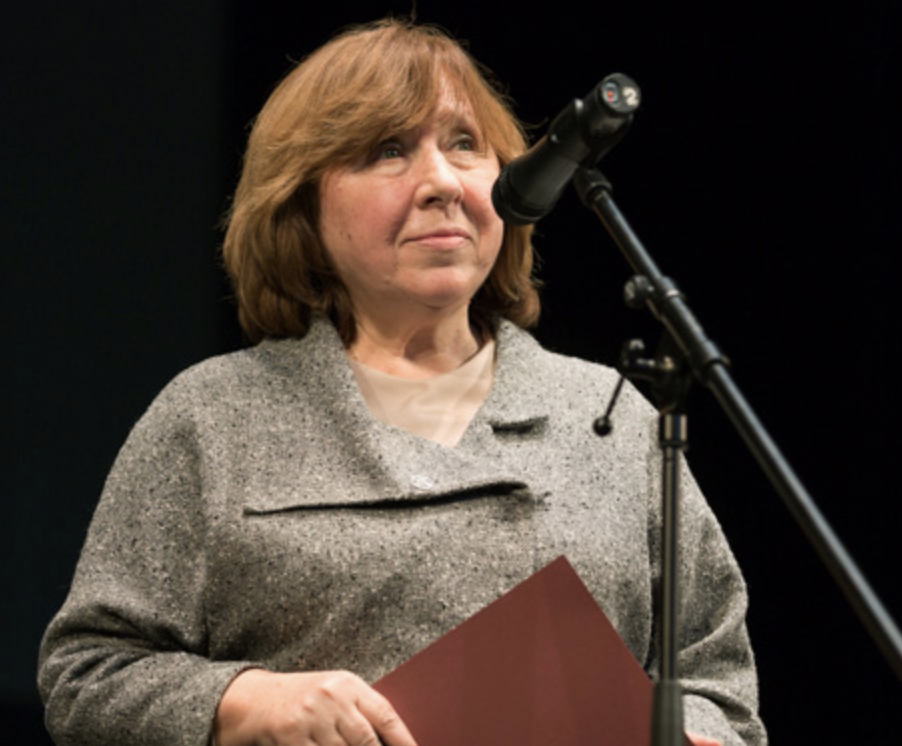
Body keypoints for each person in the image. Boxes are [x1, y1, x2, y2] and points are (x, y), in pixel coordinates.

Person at [38, 19, 765, 746]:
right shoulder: (214, 417)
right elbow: (87, 675)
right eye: (389, 150)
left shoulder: (608, 418)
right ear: (303, 204)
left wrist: (699, 737)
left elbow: (714, 680)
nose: (442, 183)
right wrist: (246, 700)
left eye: (464, 144)